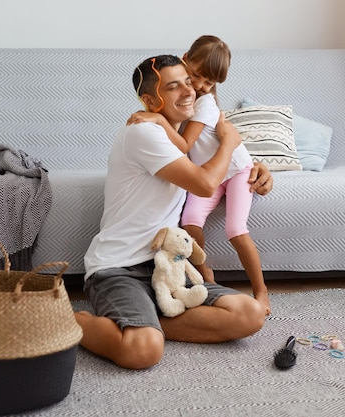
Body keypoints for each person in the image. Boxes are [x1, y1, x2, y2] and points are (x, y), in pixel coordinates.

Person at [76, 54, 273, 370]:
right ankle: (72, 319)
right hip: (119, 267)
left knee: (249, 314)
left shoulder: (182, 139)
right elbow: (206, 184)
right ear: (150, 100)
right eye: (173, 87)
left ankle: (146, 321)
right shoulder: (144, 131)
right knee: (143, 352)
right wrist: (229, 141)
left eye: (188, 82)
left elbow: (218, 165)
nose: (188, 91)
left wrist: (257, 168)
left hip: (166, 265)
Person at [126, 35, 271, 316]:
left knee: (235, 229)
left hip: (236, 171)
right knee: (190, 222)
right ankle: (206, 276)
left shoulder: (203, 104)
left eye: (210, 83)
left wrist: (155, 118)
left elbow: (184, 146)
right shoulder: (183, 99)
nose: (202, 86)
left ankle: (261, 290)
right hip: (210, 175)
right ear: (184, 60)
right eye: (197, 77)